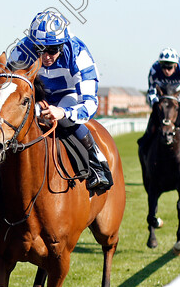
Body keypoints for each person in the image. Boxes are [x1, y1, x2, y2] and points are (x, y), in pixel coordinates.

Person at [8, 10, 111, 191]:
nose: (46, 56)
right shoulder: (22, 50)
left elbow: (90, 104)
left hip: (68, 96)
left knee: (62, 119)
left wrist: (63, 112)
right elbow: (9, 89)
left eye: (53, 50)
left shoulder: (79, 54)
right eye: (40, 49)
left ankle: (96, 163)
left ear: (63, 45)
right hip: (38, 95)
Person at [140, 47, 180, 159]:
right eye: (164, 66)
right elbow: (151, 91)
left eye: (169, 67)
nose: (166, 70)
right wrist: (156, 105)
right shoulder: (154, 69)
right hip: (163, 97)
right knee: (152, 123)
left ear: (175, 65)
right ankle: (144, 149)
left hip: (179, 96)